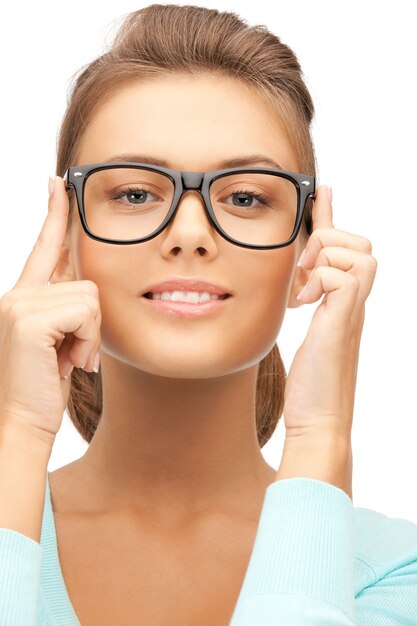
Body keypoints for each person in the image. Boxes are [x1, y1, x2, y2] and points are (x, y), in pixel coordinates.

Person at [1, 4, 416, 625]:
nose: (190, 234)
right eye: (136, 193)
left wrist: (321, 436)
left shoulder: (395, 571)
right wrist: (17, 434)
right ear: (64, 234)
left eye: (246, 197)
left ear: (306, 244)